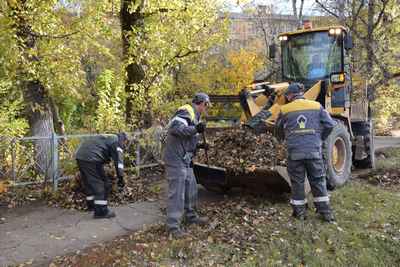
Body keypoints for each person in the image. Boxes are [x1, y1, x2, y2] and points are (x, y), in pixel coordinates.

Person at [275, 83, 336, 222]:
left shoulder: (284, 109)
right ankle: (325, 213)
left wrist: (284, 139)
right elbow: (330, 125)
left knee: (297, 182)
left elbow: (277, 129)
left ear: (290, 95)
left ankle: (300, 213)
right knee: (318, 181)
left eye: (287, 95)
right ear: (301, 93)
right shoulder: (316, 106)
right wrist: (320, 138)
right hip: (313, 151)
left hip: (294, 152)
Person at [163, 92, 211, 238]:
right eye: (206, 105)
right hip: (176, 159)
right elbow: (176, 130)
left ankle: (191, 217)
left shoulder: (195, 116)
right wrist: (196, 129)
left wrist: (201, 145)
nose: (206, 108)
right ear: (202, 103)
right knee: (177, 194)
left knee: (191, 188)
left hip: (186, 159)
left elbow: (188, 140)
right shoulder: (185, 111)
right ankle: (173, 227)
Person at [75, 132, 128, 219]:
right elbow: (119, 162)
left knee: (89, 183)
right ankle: (101, 211)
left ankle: (92, 205)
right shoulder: (117, 142)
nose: (125, 145)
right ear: (124, 140)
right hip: (92, 158)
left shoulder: (109, 137)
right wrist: (121, 178)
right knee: (101, 183)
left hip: (80, 156)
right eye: (125, 143)